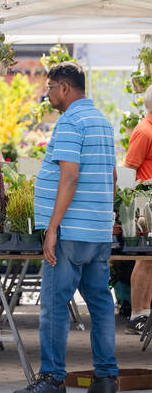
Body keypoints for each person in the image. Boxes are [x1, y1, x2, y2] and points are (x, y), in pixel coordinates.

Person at [14, 62, 118, 393]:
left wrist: (52, 228)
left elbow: (69, 176)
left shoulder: (71, 121)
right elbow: (112, 177)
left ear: (64, 88)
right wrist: (106, 219)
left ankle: (52, 379)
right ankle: (105, 378)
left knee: (56, 306)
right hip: (97, 229)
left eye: (49, 88)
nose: (46, 94)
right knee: (100, 304)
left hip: (71, 230)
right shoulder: (101, 121)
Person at [122, 85, 152, 335]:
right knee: (144, 258)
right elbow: (129, 169)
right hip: (143, 204)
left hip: (148, 202)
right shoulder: (143, 131)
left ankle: (146, 311)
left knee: (150, 259)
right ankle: (137, 314)